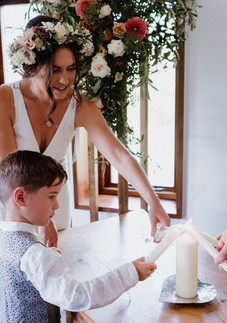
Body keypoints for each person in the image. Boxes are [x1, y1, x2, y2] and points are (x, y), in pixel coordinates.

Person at [0, 15, 170, 247]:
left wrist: (153, 200)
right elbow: (7, 169)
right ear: (32, 65)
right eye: (55, 69)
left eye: (71, 69)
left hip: (55, 206)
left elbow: (119, 155)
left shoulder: (79, 106)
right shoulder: (6, 99)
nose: (64, 79)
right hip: (13, 206)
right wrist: (40, 218)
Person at [0, 150, 157, 322]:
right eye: (51, 196)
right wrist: (130, 273)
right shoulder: (34, 254)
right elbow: (77, 296)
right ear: (21, 197)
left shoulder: (5, 237)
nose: (57, 205)